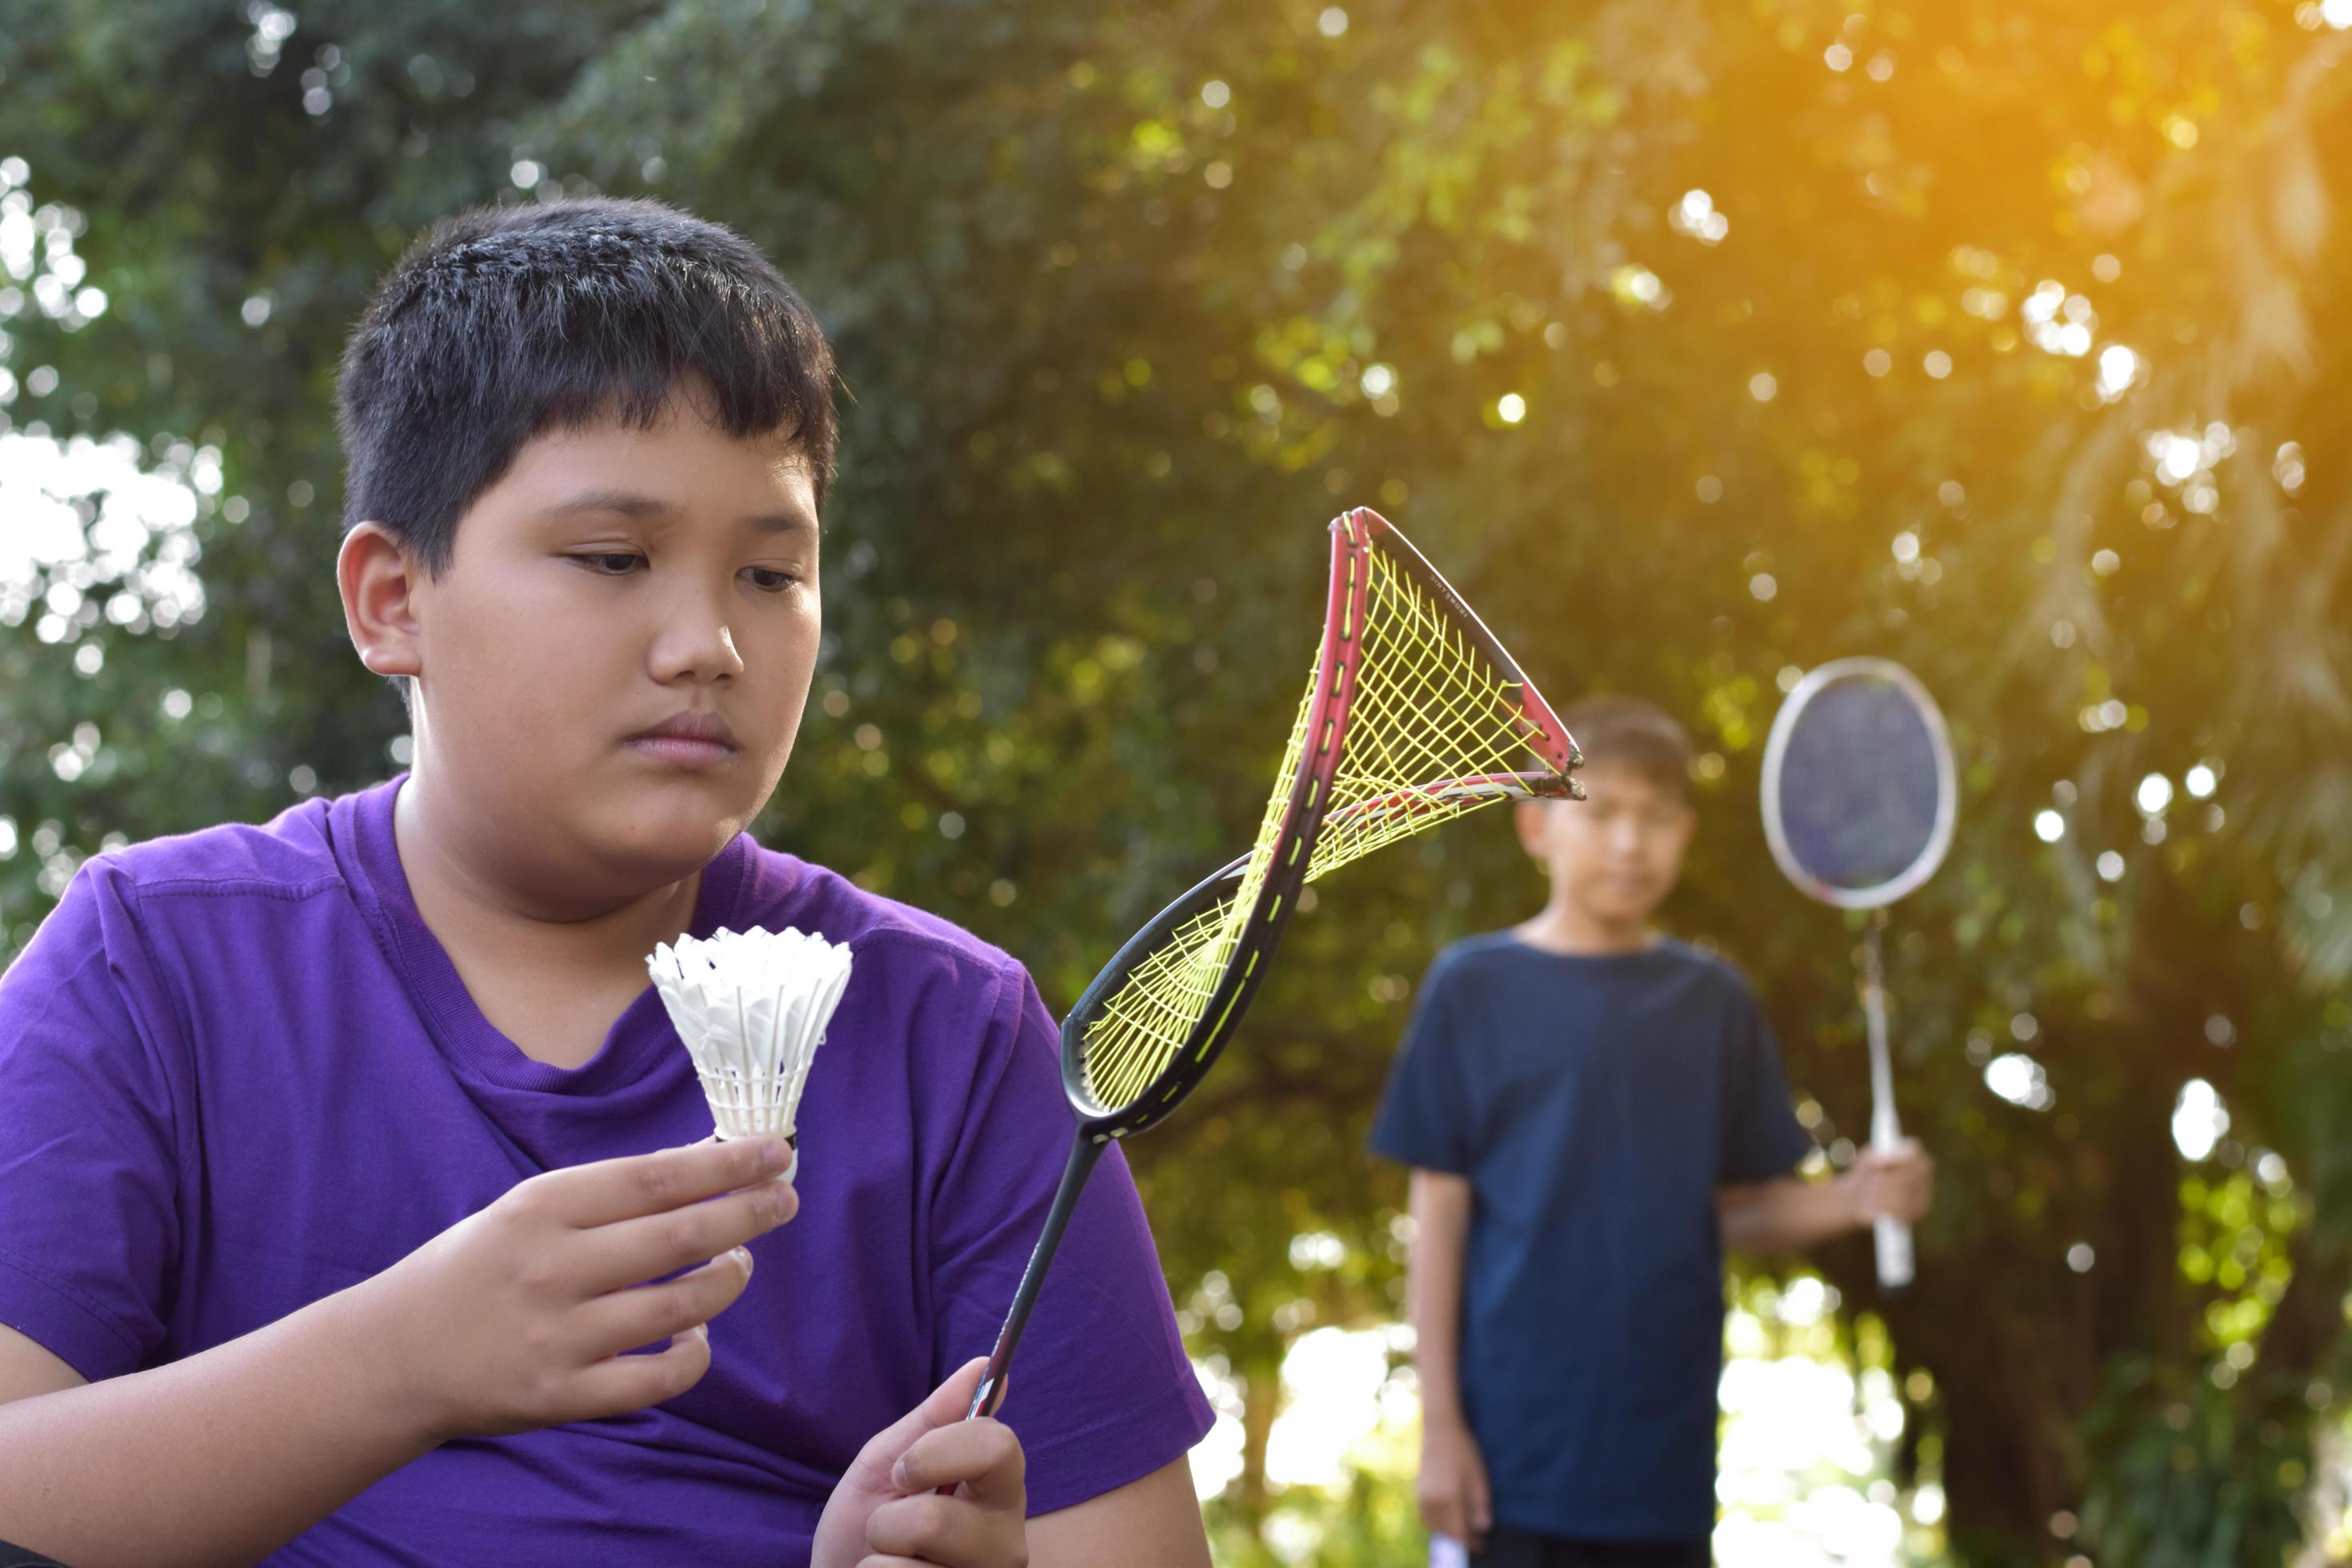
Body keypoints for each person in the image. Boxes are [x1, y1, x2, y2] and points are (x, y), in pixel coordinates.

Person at [0, 198, 1214, 1567]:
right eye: (612, 560)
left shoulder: (954, 1035)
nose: (708, 643)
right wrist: (404, 1361)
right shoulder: (154, 966)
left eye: (771, 572)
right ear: (392, 599)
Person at [1371, 695, 1935, 1568]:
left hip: (1662, 1474)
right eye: (1601, 812)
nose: (1630, 842)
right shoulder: (1471, 988)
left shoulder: (1715, 1002)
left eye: (1657, 817)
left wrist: (1861, 1199)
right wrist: (1440, 1428)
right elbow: (1438, 1217)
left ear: (1686, 832)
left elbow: (1735, 1212)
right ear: (1535, 827)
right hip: (1506, 1470)